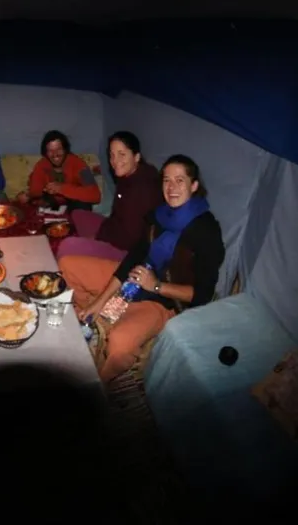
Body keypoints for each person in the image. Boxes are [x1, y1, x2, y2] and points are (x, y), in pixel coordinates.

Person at [59, 154, 225, 383]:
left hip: (164, 302)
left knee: (120, 344)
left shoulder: (207, 232)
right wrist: (98, 302)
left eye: (180, 180)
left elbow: (202, 294)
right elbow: (133, 258)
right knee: (68, 265)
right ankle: (95, 316)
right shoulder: (160, 215)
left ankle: (99, 384)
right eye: (166, 180)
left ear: (194, 185)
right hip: (136, 277)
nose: (171, 187)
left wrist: (155, 285)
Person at [57, 131, 161, 261]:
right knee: (78, 214)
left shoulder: (141, 188)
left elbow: (129, 239)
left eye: (122, 154)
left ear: (136, 157)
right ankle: (85, 248)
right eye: (112, 155)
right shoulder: (127, 175)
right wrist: (100, 233)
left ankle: (84, 253)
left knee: (67, 246)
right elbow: (117, 216)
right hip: (114, 230)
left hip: (126, 253)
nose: (115, 161)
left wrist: (98, 239)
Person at [18, 130, 101, 211]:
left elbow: (95, 195)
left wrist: (61, 188)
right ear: (45, 153)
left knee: (83, 205)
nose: (55, 154)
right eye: (50, 151)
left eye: (59, 149)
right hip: (52, 203)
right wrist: (28, 196)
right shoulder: (41, 165)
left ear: (65, 150)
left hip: (74, 201)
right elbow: (35, 190)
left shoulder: (79, 165)